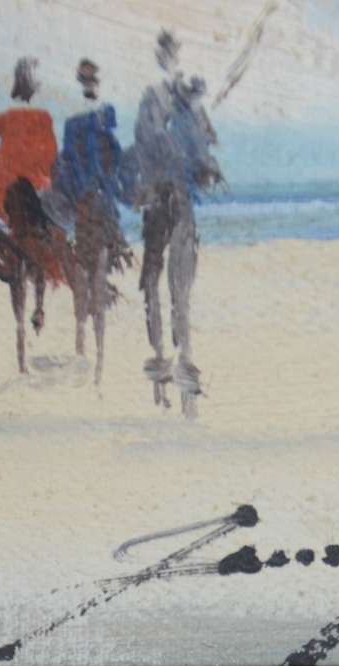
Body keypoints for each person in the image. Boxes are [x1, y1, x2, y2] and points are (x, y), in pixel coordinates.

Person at [133, 31, 223, 416]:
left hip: (183, 201)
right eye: (164, 53)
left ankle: (184, 363)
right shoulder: (152, 98)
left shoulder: (190, 102)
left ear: (176, 56)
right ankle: (160, 364)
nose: (168, 58)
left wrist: (206, 162)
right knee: (152, 285)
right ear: (159, 57)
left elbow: (205, 148)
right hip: (158, 199)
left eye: (173, 52)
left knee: (180, 290)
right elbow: (146, 141)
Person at [0, 57, 69, 374]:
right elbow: (49, 164)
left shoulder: (11, 120)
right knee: (51, 240)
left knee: (17, 239)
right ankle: (36, 303)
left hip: (17, 201)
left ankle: (19, 289)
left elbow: (8, 162)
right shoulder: (40, 119)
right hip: (28, 200)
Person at [52, 58, 136, 387]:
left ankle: (96, 350)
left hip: (99, 204)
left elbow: (114, 161)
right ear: (81, 81)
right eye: (86, 79)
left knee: (97, 275)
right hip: (85, 199)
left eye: (92, 80)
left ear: (95, 82)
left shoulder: (102, 119)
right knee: (82, 274)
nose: (90, 84)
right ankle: (83, 348)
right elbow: (69, 161)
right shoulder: (79, 121)